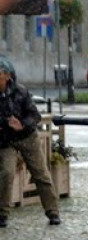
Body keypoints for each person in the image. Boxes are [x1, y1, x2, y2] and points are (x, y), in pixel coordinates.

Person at [0, 57, 60, 227]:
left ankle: (52, 211)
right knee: (6, 173)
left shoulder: (20, 92)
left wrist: (22, 124)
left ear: (7, 76)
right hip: (6, 141)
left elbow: (35, 115)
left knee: (41, 173)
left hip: (27, 137)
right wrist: (5, 123)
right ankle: (2, 213)